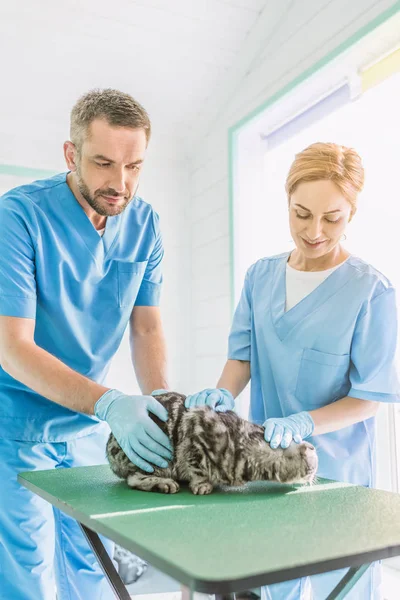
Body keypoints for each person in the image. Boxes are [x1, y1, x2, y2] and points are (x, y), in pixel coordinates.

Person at [0, 88, 232, 600]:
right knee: (27, 577)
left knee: (95, 567)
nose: (120, 183)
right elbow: (11, 346)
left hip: (86, 428)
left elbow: (146, 328)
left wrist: (168, 408)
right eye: (104, 163)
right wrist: (108, 402)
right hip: (17, 425)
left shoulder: (144, 225)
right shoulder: (18, 217)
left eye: (134, 166)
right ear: (71, 154)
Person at [186, 142, 400, 599]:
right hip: (269, 468)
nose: (315, 230)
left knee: (338, 588)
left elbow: (370, 397)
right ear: (287, 201)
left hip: (338, 478)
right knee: (273, 585)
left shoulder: (372, 292)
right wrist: (224, 395)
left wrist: (306, 422)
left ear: (353, 213)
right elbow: (242, 357)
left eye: (332, 217)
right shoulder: (259, 277)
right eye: (301, 213)